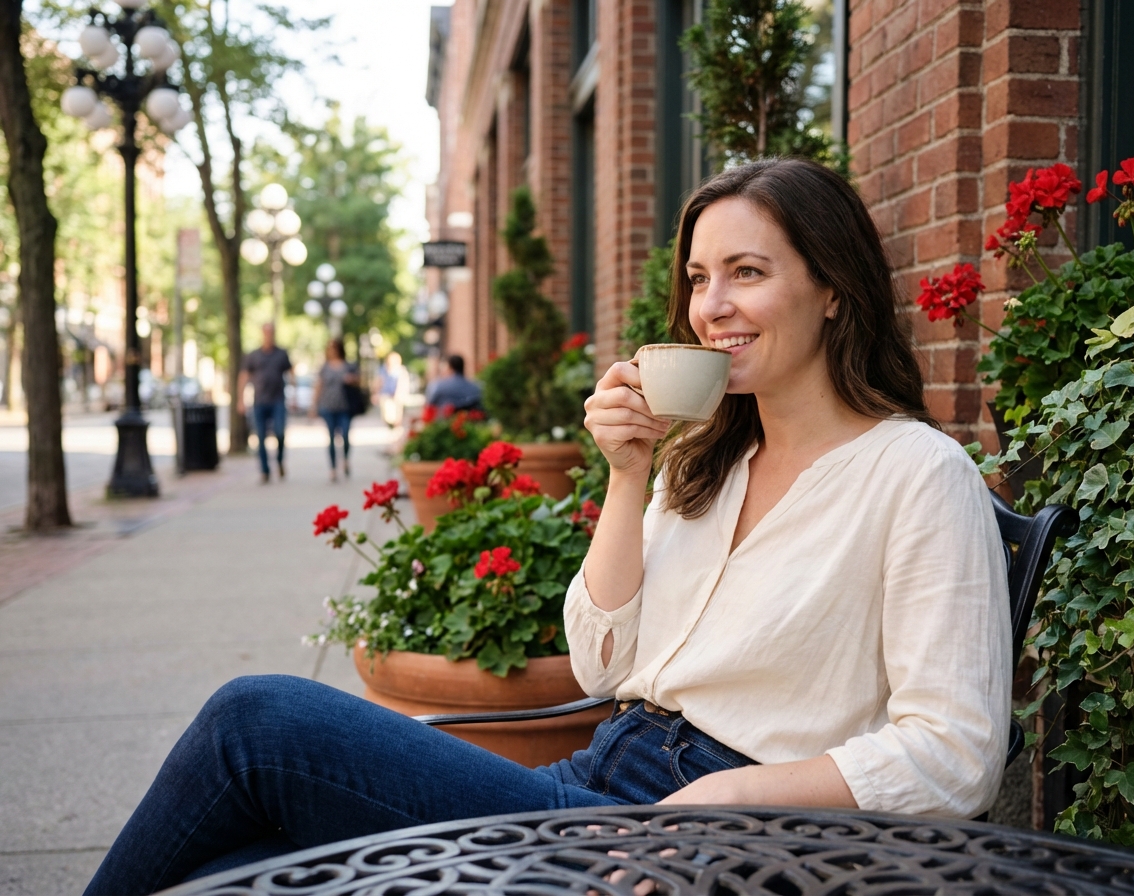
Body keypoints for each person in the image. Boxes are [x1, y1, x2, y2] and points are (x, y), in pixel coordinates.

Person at [84, 159, 1009, 896]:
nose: (711, 305)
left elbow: (954, 755)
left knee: (256, 724)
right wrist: (629, 472)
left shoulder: (915, 474)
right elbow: (604, 666)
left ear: (835, 289)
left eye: (748, 273)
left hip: (722, 839)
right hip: (597, 784)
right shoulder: (707, 462)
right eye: (698, 278)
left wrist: (721, 800)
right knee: (225, 871)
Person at [237, 323, 292, 484]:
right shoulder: (253, 355)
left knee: (280, 433)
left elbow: (291, 372)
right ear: (262, 334)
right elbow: (244, 377)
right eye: (266, 333)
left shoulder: (281, 354)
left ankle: (280, 460)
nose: (269, 335)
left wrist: (294, 396)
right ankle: (265, 470)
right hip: (259, 401)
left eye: (271, 333)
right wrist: (240, 399)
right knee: (260, 437)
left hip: (278, 401)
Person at [309, 337, 359, 482]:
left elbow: (359, 380)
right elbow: (319, 386)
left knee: (345, 436)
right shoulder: (324, 367)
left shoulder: (348, 365)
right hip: (327, 406)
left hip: (345, 406)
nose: (332, 351)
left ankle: (345, 460)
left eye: (334, 348)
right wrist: (314, 405)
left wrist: (352, 379)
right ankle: (333, 469)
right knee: (331, 438)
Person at [377, 351, 410, 429]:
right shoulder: (383, 369)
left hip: (397, 395)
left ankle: (396, 429)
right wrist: (376, 393)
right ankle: (391, 428)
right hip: (385, 395)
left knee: (397, 414)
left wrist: (400, 394)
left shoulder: (401, 370)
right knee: (386, 415)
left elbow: (403, 382)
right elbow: (379, 381)